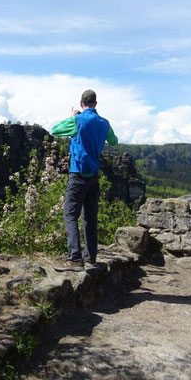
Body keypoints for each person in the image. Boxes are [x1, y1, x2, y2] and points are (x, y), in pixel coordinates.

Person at [50, 89, 118, 272]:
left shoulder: (77, 120)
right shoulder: (104, 123)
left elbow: (55, 130)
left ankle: (74, 258)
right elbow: (114, 141)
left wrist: (71, 116)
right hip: (94, 176)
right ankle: (90, 258)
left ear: (81, 104)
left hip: (78, 174)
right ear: (96, 104)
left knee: (70, 215)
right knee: (90, 217)